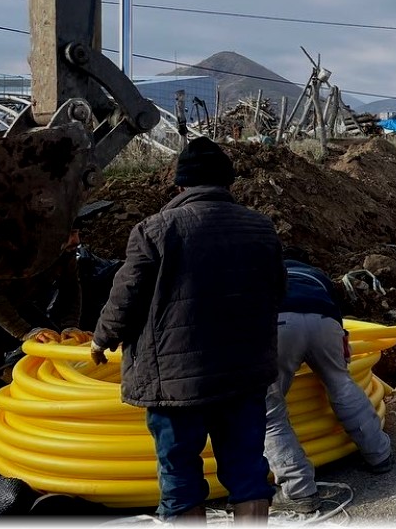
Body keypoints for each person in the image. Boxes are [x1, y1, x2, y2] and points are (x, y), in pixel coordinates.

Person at [91, 137, 286, 523]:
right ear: (227, 183)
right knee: (247, 467)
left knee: (179, 471)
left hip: (176, 383)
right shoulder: (261, 227)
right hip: (243, 372)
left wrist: (101, 339)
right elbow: (277, 291)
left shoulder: (155, 229)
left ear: (180, 186)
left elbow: (125, 295)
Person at [265, 246, 393, 513]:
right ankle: (379, 454)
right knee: (341, 383)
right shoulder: (316, 275)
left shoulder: (266, 271)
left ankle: (298, 491)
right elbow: (338, 316)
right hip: (325, 323)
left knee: (268, 408)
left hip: (279, 322)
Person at [0, 232, 83, 415]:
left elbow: (70, 287)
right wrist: (26, 332)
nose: (76, 241)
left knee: (52, 343)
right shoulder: (14, 248)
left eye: (77, 233)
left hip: (16, 300)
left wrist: (69, 325)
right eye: (69, 234)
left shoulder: (65, 251)